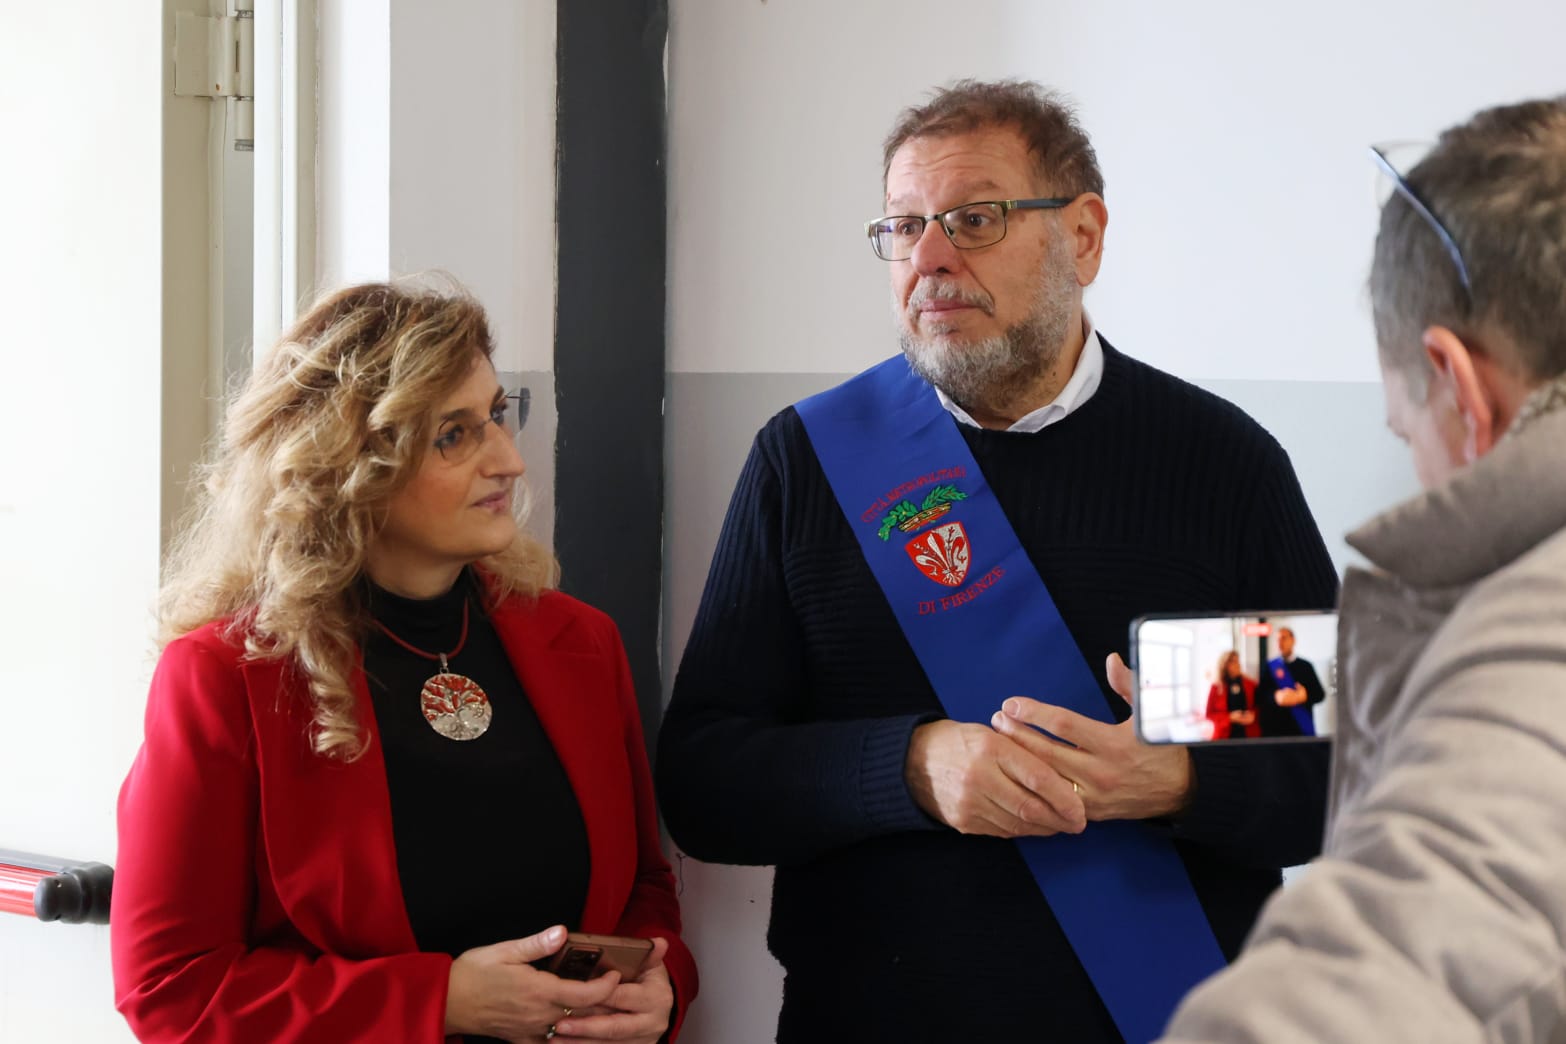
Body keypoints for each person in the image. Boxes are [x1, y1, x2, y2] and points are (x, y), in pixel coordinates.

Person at [657, 79, 1338, 1041]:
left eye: (975, 219)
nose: (929, 259)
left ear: (1084, 237)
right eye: (902, 227)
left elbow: (1329, 775)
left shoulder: (1219, 465)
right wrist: (910, 766)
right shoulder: (810, 461)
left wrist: (1180, 780)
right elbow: (706, 785)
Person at [111, 282, 696, 1043]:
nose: (510, 460)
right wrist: (438, 1001)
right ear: (348, 463)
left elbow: (643, 889)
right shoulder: (225, 677)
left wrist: (664, 983)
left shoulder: (580, 642)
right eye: (454, 435)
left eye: (496, 415)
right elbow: (171, 989)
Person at [1162, 96, 1566, 1042]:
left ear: (1458, 386)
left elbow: (1393, 971)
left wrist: (1183, 781)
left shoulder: (1533, 642)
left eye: (1403, 428)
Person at [1253, 626, 1326, 738]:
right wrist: (1275, 696)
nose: (1280, 643)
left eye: (1284, 638)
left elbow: (1320, 695)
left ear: (1293, 640)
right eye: (1277, 639)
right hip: (1275, 731)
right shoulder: (1268, 667)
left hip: (1300, 730)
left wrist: (1303, 696)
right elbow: (1259, 697)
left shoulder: (1306, 666)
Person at [1207, 651, 1260, 739]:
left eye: (1237, 661)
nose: (1237, 664)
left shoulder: (1250, 684)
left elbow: (1259, 707)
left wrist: (1253, 716)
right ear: (1224, 665)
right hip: (1224, 735)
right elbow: (1209, 714)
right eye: (1233, 661)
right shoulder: (1216, 687)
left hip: (1248, 734)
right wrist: (1229, 717)